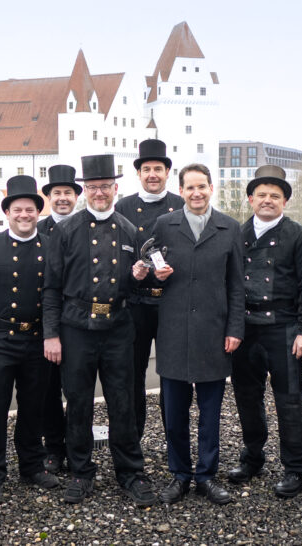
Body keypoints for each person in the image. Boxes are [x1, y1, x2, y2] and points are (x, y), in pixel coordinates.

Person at [42, 154, 157, 507]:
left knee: (123, 401)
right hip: (76, 327)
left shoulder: (129, 229)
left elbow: (136, 284)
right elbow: (51, 287)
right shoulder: (66, 231)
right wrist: (51, 334)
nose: (99, 193)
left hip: (117, 328)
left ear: (115, 188)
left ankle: (130, 472)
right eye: (92, 187)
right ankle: (81, 471)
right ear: (84, 191)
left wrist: (139, 276)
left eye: (105, 186)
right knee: (78, 402)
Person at [134, 163, 243, 506]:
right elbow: (151, 268)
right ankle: (180, 475)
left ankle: (206, 476)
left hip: (214, 332)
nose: (196, 193)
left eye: (202, 186)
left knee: (210, 415)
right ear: (180, 191)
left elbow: (236, 285)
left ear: (212, 188)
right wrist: (157, 275)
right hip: (174, 330)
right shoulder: (165, 225)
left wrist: (235, 328)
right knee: (175, 414)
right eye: (190, 187)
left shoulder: (230, 228)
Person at [0, 175, 62, 505]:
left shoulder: (51, 248)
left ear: (38, 212)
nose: (23, 215)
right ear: (7, 213)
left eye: (29, 209)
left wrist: (53, 334)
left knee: (34, 407)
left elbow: (56, 293)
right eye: (17, 209)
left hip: (37, 339)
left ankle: (32, 466)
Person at [228, 164, 302, 498]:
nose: (268, 200)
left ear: (285, 201)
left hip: (284, 326)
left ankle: (296, 467)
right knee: (246, 396)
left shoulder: (300, 236)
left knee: (290, 400)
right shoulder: (236, 234)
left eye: (275, 196)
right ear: (250, 199)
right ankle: (252, 457)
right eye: (262, 195)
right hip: (245, 327)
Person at [114, 139, 184, 441]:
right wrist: (132, 273)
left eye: (158, 168)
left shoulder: (181, 205)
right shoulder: (123, 207)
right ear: (139, 173)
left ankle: (175, 439)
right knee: (132, 374)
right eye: (146, 169)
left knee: (173, 374)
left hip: (171, 303)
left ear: (168, 172)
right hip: (135, 304)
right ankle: (133, 440)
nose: (152, 174)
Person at [36, 164, 82, 472]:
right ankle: (53, 446)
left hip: (78, 319)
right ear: (49, 197)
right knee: (48, 388)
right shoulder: (37, 229)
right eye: (57, 193)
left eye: (68, 192)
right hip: (45, 317)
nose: (62, 198)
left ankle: (78, 446)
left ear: (76, 196)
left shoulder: (87, 226)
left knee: (77, 388)